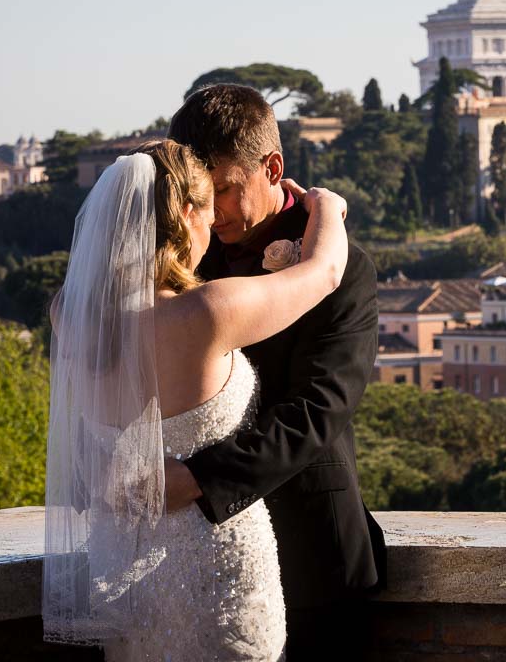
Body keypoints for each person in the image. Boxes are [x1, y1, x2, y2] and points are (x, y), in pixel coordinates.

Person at [43, 138, 349, 661]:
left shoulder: (69, 315)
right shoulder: (208, 311)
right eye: (208, 208)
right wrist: (328, 207)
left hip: (123, 570)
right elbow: (325, 272)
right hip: (217, 568)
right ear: (187, 213)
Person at [163, 84, 386, 660]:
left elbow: (319, 408)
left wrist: (199, 479)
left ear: (274, 166)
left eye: (228, 190)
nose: (216, 212)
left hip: (314, 551)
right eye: (202, 195)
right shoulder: (177, 263)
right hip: (190, 553)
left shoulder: (342, 264)